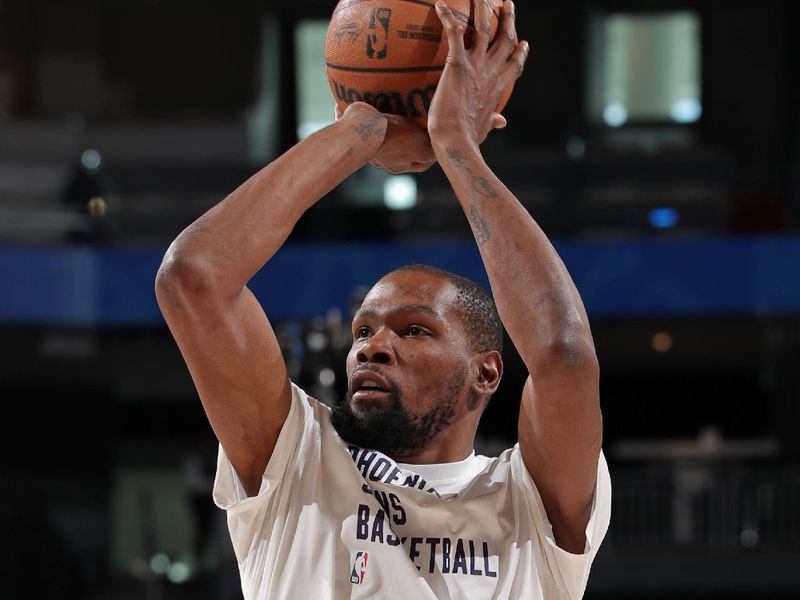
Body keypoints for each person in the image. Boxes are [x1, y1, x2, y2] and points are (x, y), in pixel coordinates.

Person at [155, 0, 610, 598]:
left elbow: (564, 354)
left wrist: (455, 146)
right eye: (363, 332)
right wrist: (364, 128)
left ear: (487, 370)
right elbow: (193, 278)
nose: (373, 348)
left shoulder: (527, 499)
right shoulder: (298, 461)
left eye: (414, 329)